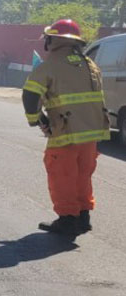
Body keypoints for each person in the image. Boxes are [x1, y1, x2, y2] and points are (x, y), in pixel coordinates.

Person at [22, 19, 108, 236]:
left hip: (65, 134)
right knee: (82, 175)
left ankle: (68, 219)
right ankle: (83, 216)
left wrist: (36, 120)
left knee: (62, 175)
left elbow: (30, 95)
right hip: (91, 134)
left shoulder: (50, 66)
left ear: (53, 40)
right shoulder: (90, 64)